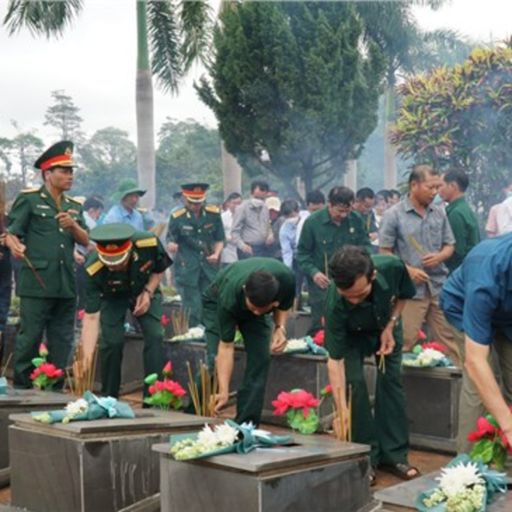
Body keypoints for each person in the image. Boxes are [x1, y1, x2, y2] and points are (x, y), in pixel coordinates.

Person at [325, 246, 419, 485]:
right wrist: (341, 409)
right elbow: (335, 361)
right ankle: (364, 457)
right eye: (348, 296)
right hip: (351, 337)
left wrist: (390, 325)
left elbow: (404, 294)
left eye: (360, 294)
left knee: (391, 381)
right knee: (352, 386)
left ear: (373, 276)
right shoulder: (335, 303)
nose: (354, 301)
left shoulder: (393, 267)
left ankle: (394, 455)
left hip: (385, 325)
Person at [5, 141, 89, 387]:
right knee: (29, 339)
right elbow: (11, 232)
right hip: (37, 282)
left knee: (62, 340)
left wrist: (73, 226)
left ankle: (54, 390)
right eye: (63, 170)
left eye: (71, 170)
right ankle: (21, 389)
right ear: (47, 173)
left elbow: (86, 240)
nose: (69, 175)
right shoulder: (29, 200)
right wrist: (15, 246)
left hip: (65, 284)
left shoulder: (74, 206)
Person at [379, 164, 460, 365]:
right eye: (430, 187)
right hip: (409, 291)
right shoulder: (394, 214)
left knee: (451, 341)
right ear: (414, 185)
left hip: (438, 287)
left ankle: (461, 384)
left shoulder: (439, 212)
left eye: (437, 187)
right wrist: (407, 270)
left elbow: (450, 244)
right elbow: (384, 253)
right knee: (405, 340)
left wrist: (440, 256)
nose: (435, 192)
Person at [81, 223, 172, 398]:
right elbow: (91, 317)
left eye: (119, 261)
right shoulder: (92, 269)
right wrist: (86, 359)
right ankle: (109, 396)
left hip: (144, 288)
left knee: (155, 334)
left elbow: (159, 270)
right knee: (112, 342)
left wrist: (148, 291)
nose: (115, 266)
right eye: (110, 263)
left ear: (129, 249)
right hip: (112, 297)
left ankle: (153, 396)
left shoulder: (148, 242)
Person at [440, 234, 512, 452]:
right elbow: (475, 361)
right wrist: (508, 427)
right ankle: (468, 469)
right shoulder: (486, 273)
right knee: (478, 383)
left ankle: (507, 464)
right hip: (463, 307)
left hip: (507, 316)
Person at [205, 257, 295, 425]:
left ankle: (246, 423)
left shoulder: (286, 280)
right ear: (246, 290)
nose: (255, 312)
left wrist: (279, 328)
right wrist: (224, 391)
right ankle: (196, 413)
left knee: (261, 357)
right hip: (216, 298)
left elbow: (283, 307)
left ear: (273, 302)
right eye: (252, 307)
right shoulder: (229, 297)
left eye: (260, 310)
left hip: (258, 300)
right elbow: (226, 346)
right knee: (212, 359)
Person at [297, 186, 371, 335]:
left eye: (347, 210)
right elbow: (302, 254)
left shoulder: (355, 219)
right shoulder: (313, 222)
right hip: (323, 283)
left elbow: (366, 247)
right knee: (322, 324)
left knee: (350, 322)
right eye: (339, 211)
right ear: (329, 204)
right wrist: (314, 273)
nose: (343, 215)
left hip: (351, 282)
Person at [166, 183, 224, 327]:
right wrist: (171, 245)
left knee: (209, 302)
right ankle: (194, 334)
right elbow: (170, 239)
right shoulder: (177, 217)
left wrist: (217, 253)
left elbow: (220, 239)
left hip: (208, 266)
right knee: (192, 305)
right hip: (188, 267)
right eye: (192, 202)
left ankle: (210, 333)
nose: (195, 206)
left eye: (199, 202)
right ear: (185, 199)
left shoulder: (213, 214)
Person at [438, 169, 480, 272]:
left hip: (457, 271)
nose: (438, 191)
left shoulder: (456, 213)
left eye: (440, 186)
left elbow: (457, 250)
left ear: (452, 186)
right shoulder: (464, 208)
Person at [231, 180, 273, 259]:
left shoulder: (265, 208)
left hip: (263, 248)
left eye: (261, 198)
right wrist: (242, 246)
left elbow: (268, 225)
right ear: (251, 193)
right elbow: (234, 232)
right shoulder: (242, 208)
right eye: (256, 197)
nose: (258, 201)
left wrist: (270, 235)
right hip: (248, 249)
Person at [220, 192, 242, 266]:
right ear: (228, 204)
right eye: (234, 203)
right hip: (227, 254)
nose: (237, 206)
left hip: (242, 252)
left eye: (239, 203)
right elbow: (218, 235)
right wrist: (229, 239)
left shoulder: (244, 217)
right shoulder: (222, 217)